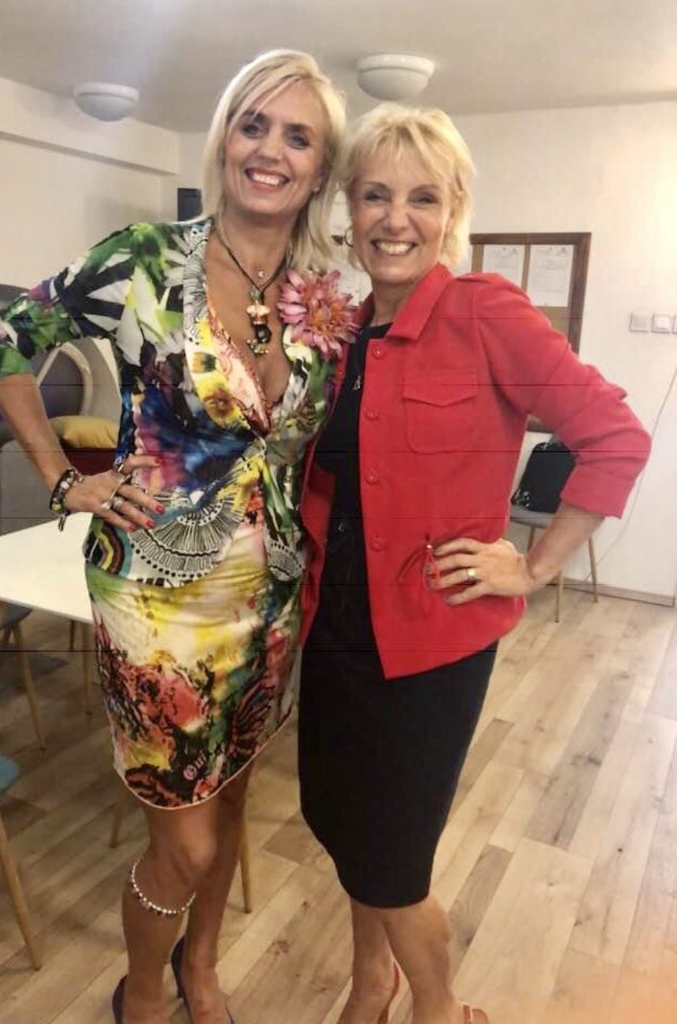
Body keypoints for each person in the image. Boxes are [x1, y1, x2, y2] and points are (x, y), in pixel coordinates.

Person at [0, 51, 354, 1024]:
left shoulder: (322, 298)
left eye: (297, 136)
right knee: (182, 842)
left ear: (319, 166)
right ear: (223, 136)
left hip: (268, 598)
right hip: (155, 599)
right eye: (253, 124)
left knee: (230, 800)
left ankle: (202, 966)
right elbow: (2, 341)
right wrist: (64, 477)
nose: (269, 150)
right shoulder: (143, 259)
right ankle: (141, 989)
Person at [297, 103, 651, 1024]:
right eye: (374, 195)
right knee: (343, 825)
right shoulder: (343, 336)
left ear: (451, 210)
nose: (395, 219)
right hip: (335, 627)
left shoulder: (484, 311)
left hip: (428, 642)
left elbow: (615, 437)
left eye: (421, 198)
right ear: (348, 208)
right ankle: (369, 985)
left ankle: (440, 1007)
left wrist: (532, 567)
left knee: (393, 860)